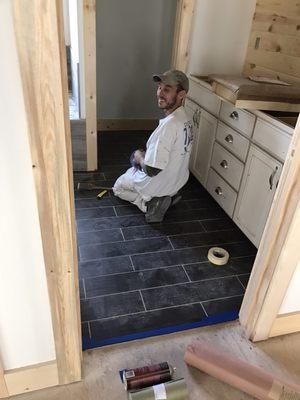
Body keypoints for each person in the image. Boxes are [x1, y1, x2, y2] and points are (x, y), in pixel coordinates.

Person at [113, 69, 193, 223]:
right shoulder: (186, 119)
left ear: (181, 94)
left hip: (157, 185)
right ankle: (169, 196)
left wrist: (138, 157)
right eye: (159, 88)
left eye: (167, 90)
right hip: (177, 182)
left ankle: (149, 203)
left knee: (118, 187)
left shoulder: (169, 126)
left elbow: (151, 170)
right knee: (134, 168)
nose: (160, 93)